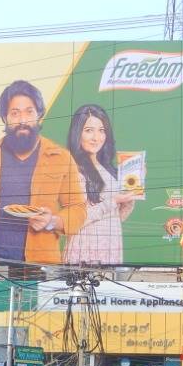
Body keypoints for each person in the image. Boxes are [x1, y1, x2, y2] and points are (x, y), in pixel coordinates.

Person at [0, 80, 87, 264]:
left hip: (38, 267)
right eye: (15, 113)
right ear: (4, 118)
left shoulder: (60, 157)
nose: (23, 121)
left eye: (29, 112)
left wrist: (52, 222)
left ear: (39, 115)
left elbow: (78, 209)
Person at [61, 104, 137, 265]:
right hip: (85, 251)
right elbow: (75, 220)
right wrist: (113, 201)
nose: (96, 137)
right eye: (89, 130)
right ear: (77, 133)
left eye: (101, 130)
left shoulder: (109, 170)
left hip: (111, 249)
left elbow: (116, 218)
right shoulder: (73, 170)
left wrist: (130, 195)